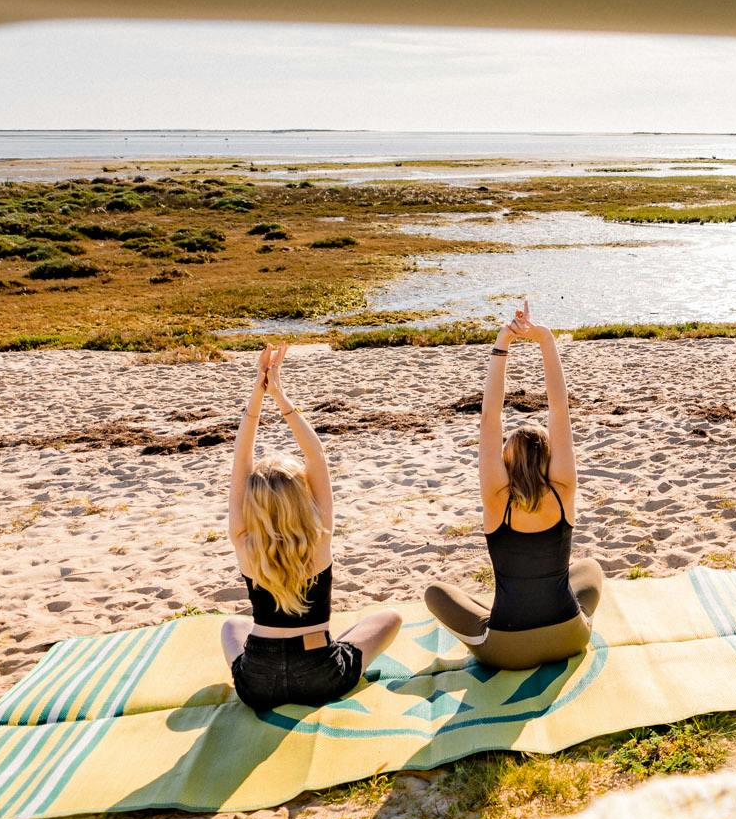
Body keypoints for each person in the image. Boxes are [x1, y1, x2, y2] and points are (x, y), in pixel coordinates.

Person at [221, 343, 403, 711]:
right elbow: (316, 455)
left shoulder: (244, 541)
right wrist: (280, 395)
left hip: (259, 681)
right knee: (390, 618)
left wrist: (257, 394)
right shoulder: (319, 538)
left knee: (230, 627)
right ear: (301, 501)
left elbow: (241, 458)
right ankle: (329, 646)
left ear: (252, 505)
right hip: (320, 674)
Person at [425, 302, 604, 669]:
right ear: (548, 459)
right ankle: (564, 618)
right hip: (571, 637)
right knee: (591, 569)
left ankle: (498, 622)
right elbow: (559, 410)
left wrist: (503, 342)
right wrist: (545, 340)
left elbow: (491, 415)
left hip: (507, 651)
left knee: (436, 593)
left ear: (506, 461)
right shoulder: (563, 489)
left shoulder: (496, 498)